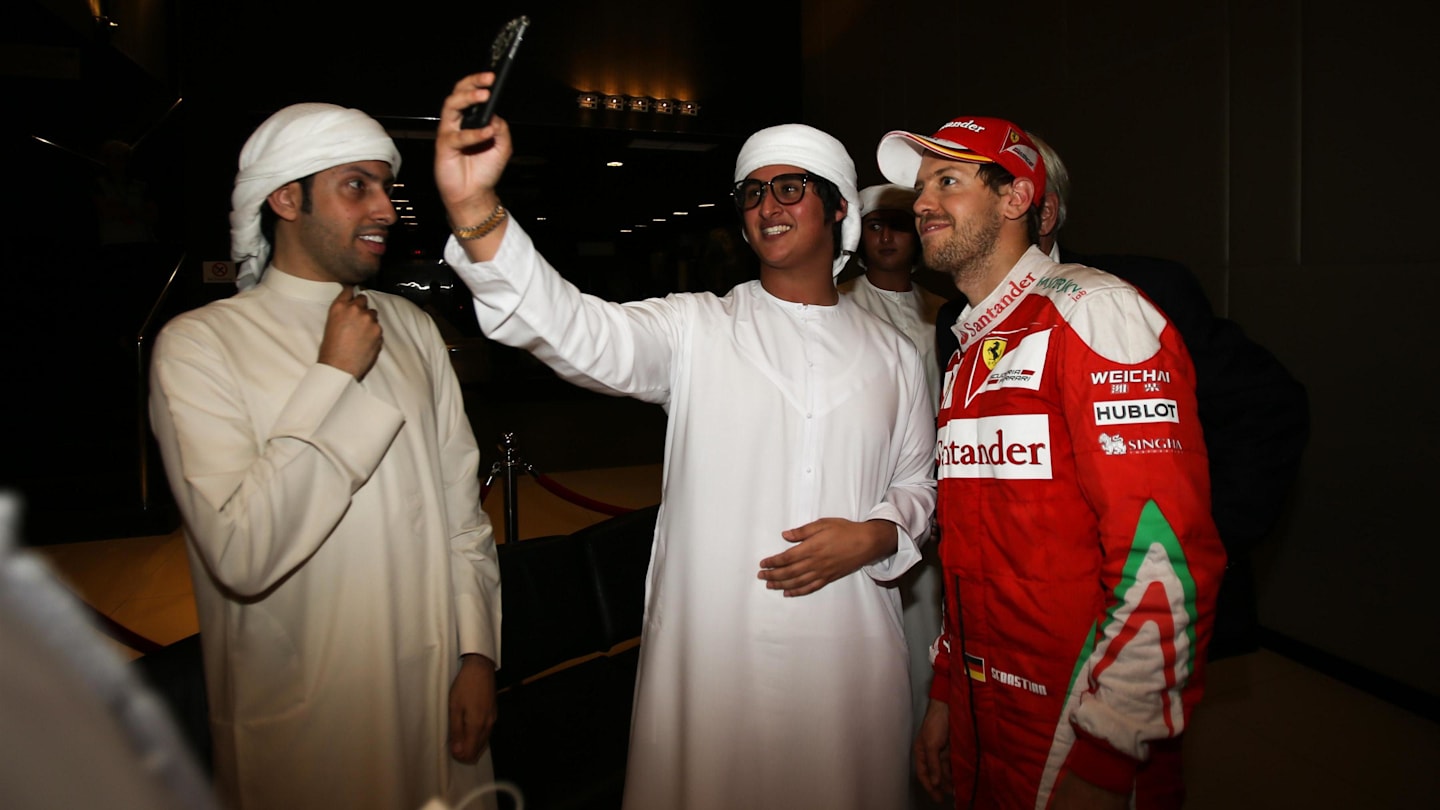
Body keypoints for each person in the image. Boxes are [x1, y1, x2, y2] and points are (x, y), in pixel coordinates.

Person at [435, 73, 936, 810]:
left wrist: (878, 534)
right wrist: (477, 209)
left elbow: (921, 482)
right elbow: (575, 328)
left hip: (848, 658)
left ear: (838, 208)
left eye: (790, 188)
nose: (767, 205)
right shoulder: (697, 329)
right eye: (753, 193)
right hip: (716, 657)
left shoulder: (893, 354)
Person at [147, 103, 502, 810]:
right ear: (285, 197)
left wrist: (477, 653)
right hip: (309, 716)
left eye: (385, 186)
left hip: (436, 695)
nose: (385, 208)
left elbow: (463, 510)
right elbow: (243, 551)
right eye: (357, 186)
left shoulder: (411, 326)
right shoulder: (198, 344)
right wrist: (333, 375)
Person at [880, 116, 1227, 808]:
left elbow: (1163, 558)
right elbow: (967, 548)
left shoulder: (1098, 313)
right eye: (921, 188)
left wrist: (1105, 757)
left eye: (947, 181)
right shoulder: (969, 348)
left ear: (1016, 197)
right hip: (986, 720)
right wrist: (948, 693)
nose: (920, 204)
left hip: (1080, 731)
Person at [934, 131, 1309, 661]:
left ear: (1039, 212)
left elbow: (1268, 411)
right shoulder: (957, 319)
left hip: (1128, 618)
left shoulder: (1133, 291)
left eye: (949, 182)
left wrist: (1190, 544)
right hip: (1014, 625)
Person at [837, 182, 947, 808]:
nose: (885, 237)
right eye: (874, 225)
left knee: (924, 638)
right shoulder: (839, 303)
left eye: (898, 226)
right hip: (860, 502)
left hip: (931, 502)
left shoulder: (945, 312)